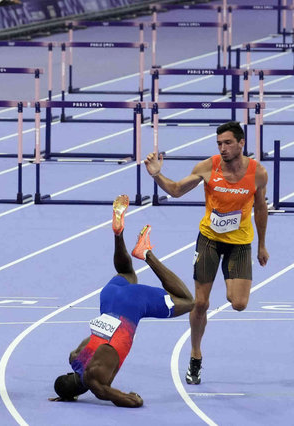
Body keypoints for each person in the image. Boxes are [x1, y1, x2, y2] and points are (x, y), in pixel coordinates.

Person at [144, 121, 269, 385]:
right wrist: (157, 175)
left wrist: (261, 244)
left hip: (240, 244)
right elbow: (176, 190)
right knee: (200, 303)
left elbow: (260, 208)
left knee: (239, 303)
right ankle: (195, 356)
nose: (222, 148)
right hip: (209, 241)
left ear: (241, 143)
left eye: (227, 143)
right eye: (219, 144)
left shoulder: (258, 173)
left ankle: (230, 278)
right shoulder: (207, 168)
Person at [51, 194, 194, 407]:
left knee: (188, 301)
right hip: (109, 298)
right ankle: (118, 235)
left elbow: (133, 401)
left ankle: (146, 254)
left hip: (131, 305)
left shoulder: (95, 383)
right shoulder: (75, 357)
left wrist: (119, 394)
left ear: (75, 395)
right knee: (126, 272)